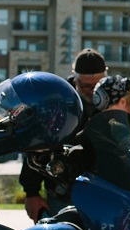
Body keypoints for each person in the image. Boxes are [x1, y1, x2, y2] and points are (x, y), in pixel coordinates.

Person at [20, 48, 107, 221]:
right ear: (75, 77)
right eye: (86, 86)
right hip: (61, 190)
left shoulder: (113, 99)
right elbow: (37, 146)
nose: (92, 90)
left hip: (102, 191)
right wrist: (31, 193)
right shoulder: (58, 102)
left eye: (97, 85)